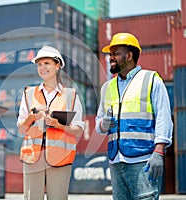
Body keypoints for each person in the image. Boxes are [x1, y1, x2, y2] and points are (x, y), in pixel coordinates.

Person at [95, 32, 173, 200]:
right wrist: (103, 124)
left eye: (115, 53)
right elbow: (98, 123)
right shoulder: (107, 87)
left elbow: (164, 118)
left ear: (129, 55)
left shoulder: (151, 80)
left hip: (143, 161)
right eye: (110, 54)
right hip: (116, 162)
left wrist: (159, 152)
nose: (111, 58)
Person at [17, 46, 85, 200]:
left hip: (60, 158)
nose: (42, 68)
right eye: (39, 64)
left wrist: (56, 124)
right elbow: (21, 129)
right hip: (33, 158)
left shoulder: (70, 95)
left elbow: (78, 129)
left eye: (47, 63)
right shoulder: (28, 94)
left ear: (57, 65)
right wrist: (31, 118)